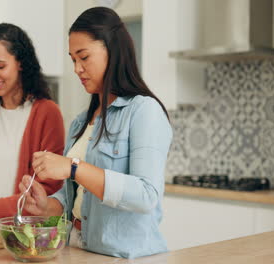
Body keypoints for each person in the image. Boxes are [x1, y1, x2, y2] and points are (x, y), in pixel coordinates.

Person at [18, 7, 173, 259]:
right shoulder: (81, 122)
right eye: (73, 60)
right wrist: (47, 206)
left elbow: (146, 195)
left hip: (126, 255)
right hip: (79, 247)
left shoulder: (144, 110)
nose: (77, 68)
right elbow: (77, 199)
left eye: (84, 57)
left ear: (112, 51)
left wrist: (73, 167)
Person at [0, 23, 65, 225]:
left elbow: (48, 190)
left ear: (21, 63)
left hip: (25, 238)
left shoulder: (47, 113)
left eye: (0, 66)